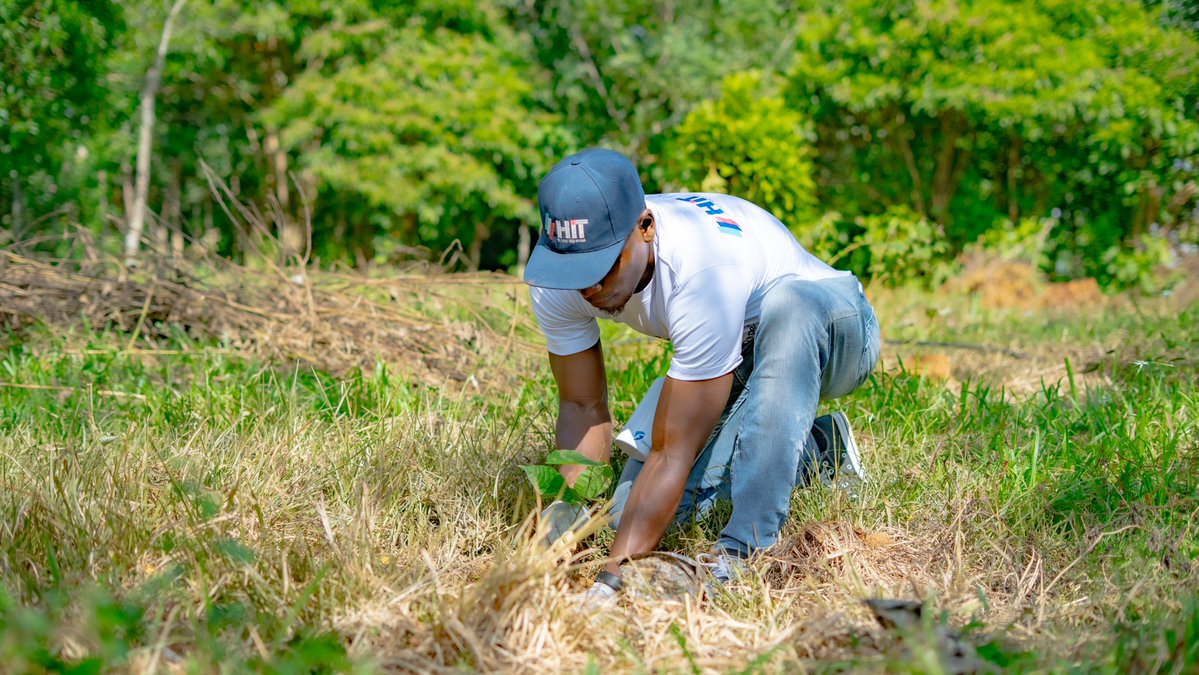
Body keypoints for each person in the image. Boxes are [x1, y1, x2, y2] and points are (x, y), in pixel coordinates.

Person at [523, 148, 880, 600]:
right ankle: (820, 448)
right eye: (574, 270)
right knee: (625, 514)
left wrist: (610, 586)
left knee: (790, 307)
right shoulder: (560, 277)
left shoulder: (703, 268)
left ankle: (746, 548)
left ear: (646, 228)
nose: (588, 287)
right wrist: (567, 509)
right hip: (740, 348)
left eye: (602, 266)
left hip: (833, 325)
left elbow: (673, 451)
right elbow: (581, 404)